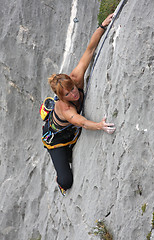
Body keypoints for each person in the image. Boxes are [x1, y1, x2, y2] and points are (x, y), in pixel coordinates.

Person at [42, 13, 116, 195]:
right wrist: (100, 126)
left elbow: (89, 51)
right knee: (67, 181)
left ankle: (47, 109)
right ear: (62, 97)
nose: (74, 93)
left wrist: (102, 26)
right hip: (57, 138)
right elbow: (82, 122)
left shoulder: (75, 77)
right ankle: (48, 112)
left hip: (68, 127)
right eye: (68, 94)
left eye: (73, 89)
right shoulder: (67, 109)